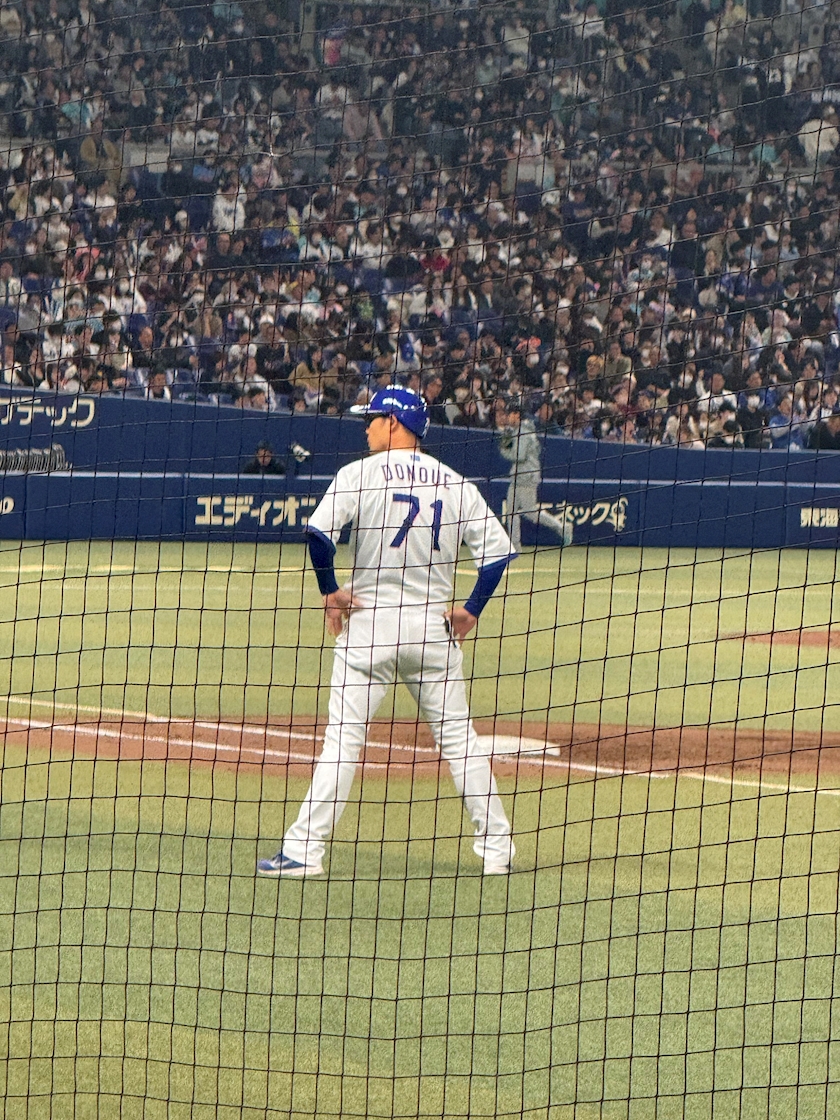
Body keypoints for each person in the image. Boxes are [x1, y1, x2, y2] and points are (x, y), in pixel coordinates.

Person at [257, 386, 517, 878]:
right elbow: (498, 554)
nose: (367, 427)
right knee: (460, 741)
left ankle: (304, 852)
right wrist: (471, 610)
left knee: (343, 742)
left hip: (370, 628)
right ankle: (498, 850)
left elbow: (318, 536)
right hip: (432, 629)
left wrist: (330, 590)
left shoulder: (359, 474)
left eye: (372, 418)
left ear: (395, 423)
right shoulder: (455, 482)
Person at [496, 400, 573, 551]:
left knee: (530, 512)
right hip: (519, 475)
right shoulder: (519, 430)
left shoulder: (524, 432)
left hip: (527, 476)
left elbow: (519, 456)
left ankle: (562, 527)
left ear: (517, 415)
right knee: (511, 512)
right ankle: (515, 545)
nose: (507, 418)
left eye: (509, 414)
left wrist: (504, 450)